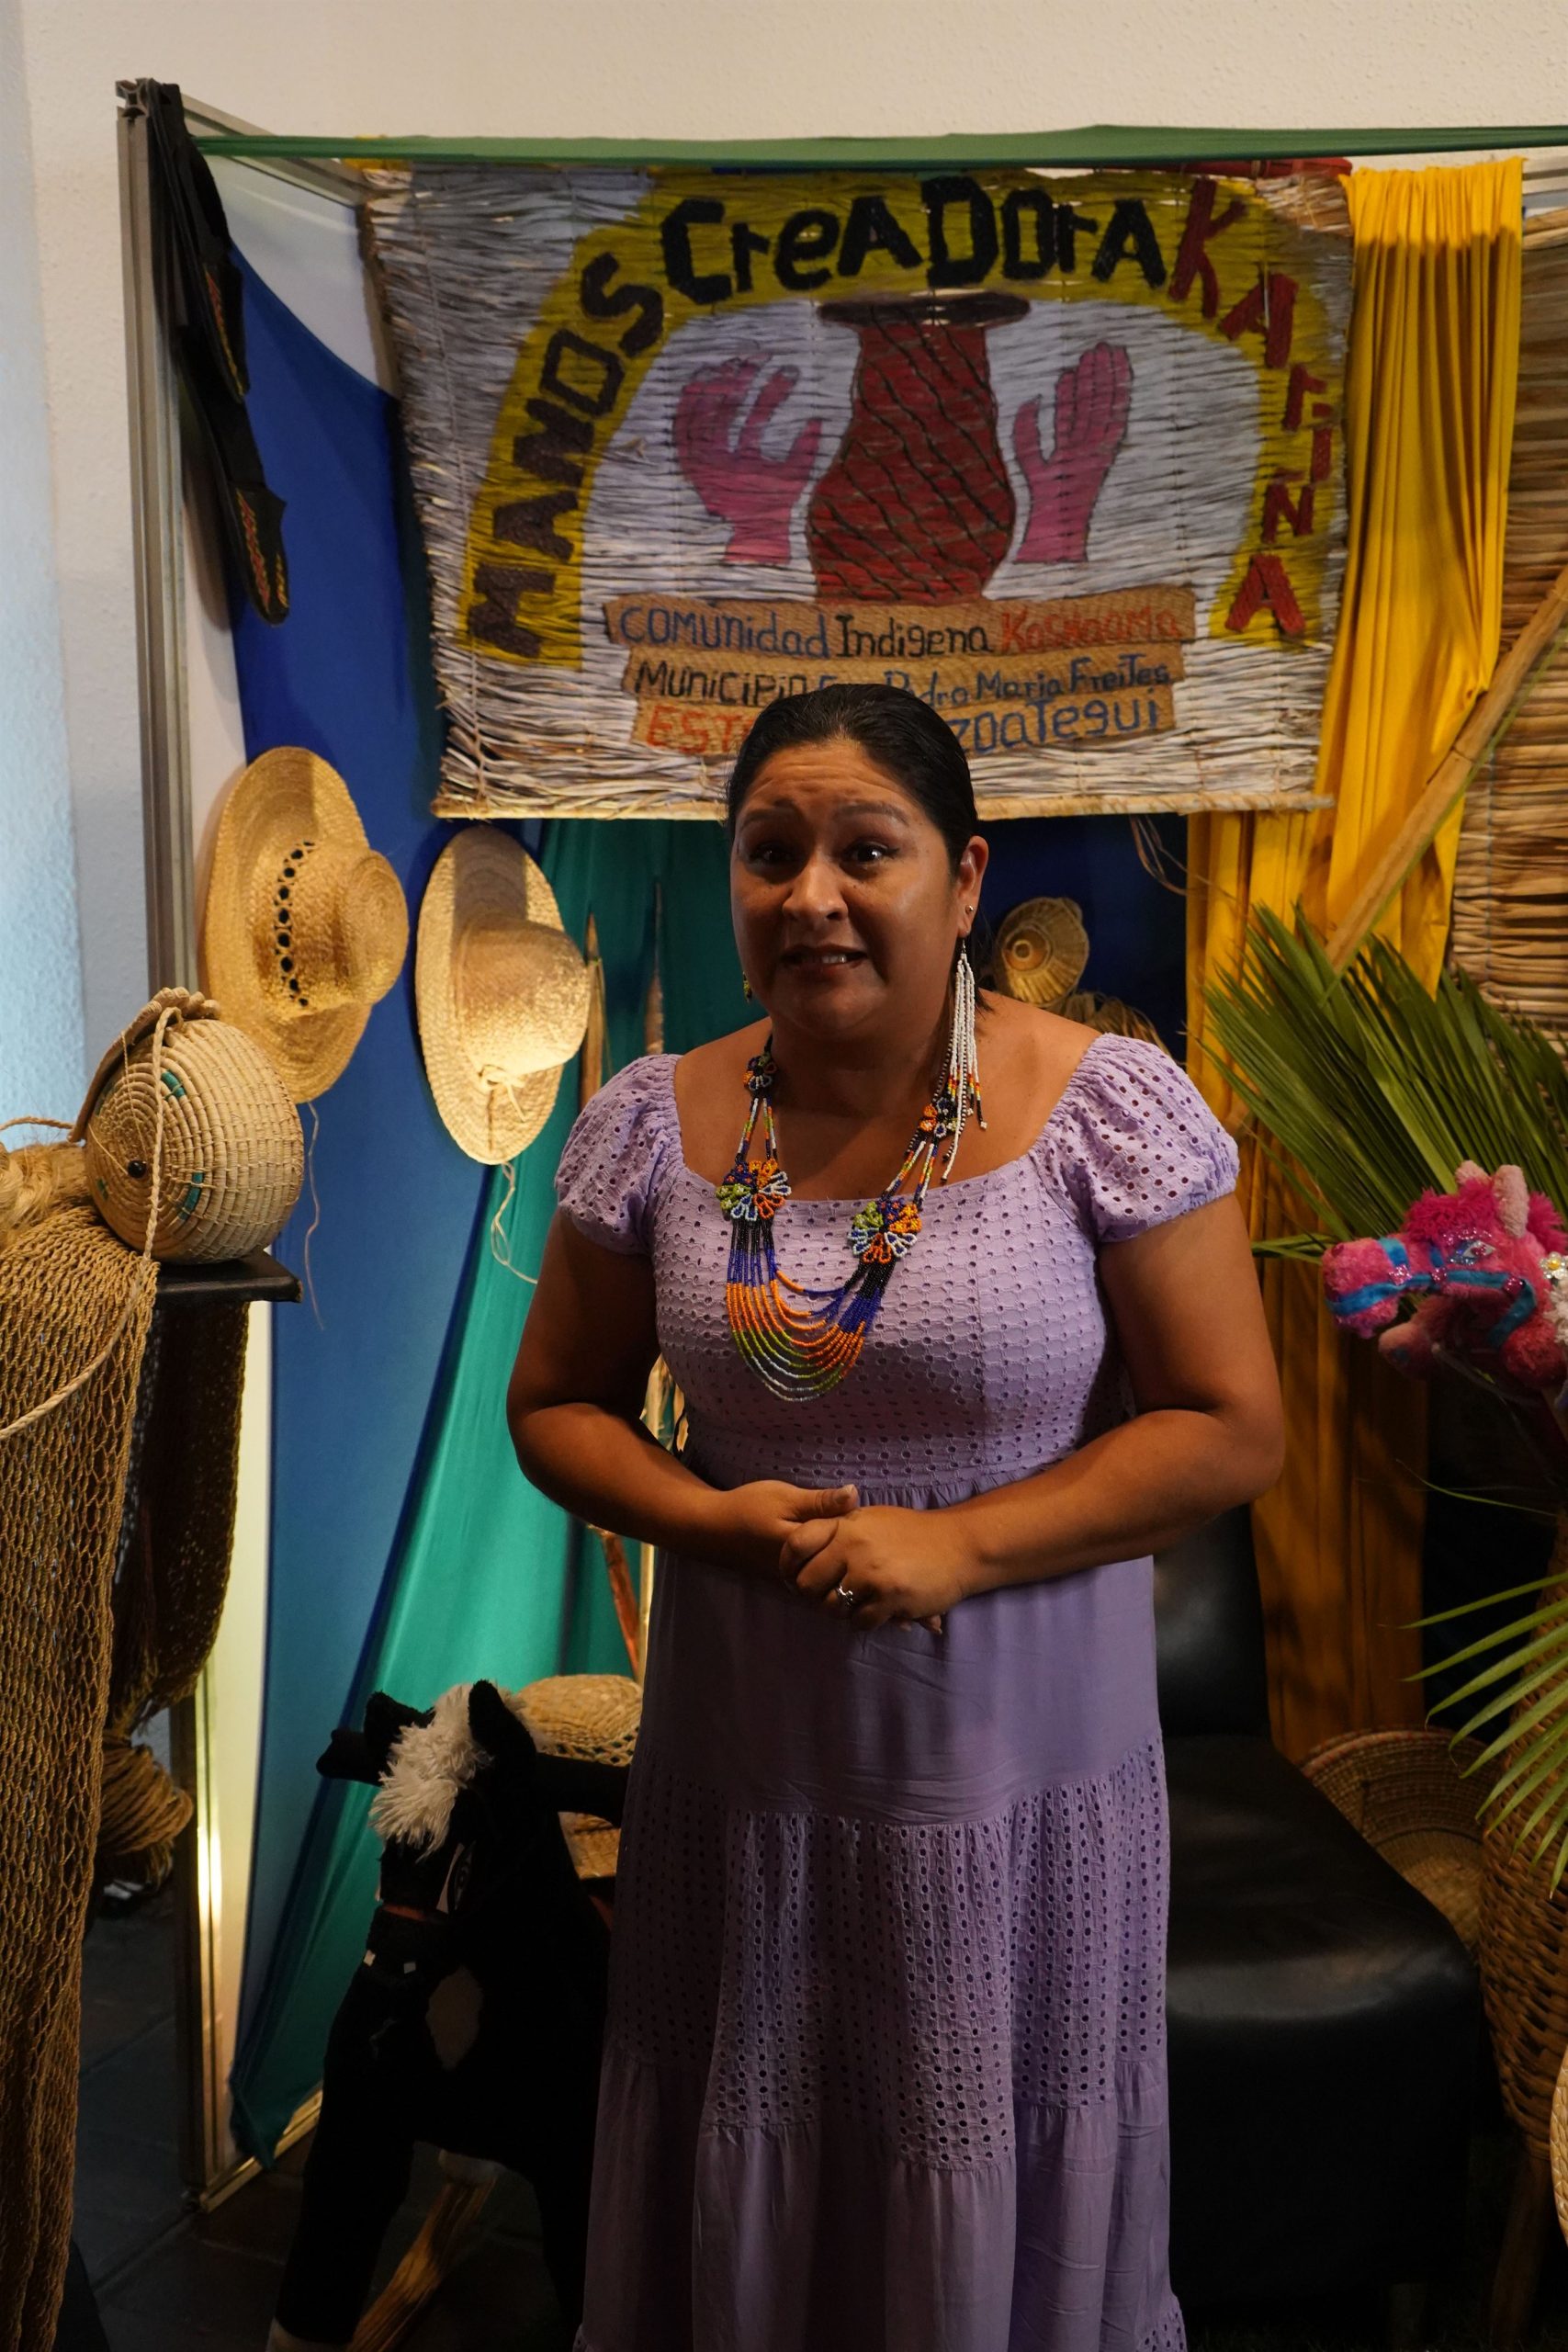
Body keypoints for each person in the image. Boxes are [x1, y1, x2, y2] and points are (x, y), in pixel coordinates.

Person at [509, 684, 1284, 2352]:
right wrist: (709, 1522)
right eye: (769, 852)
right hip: (747, 1773)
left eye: (867, 850)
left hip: (1015, 1785)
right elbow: (555, 1404)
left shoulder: (1104, 1109)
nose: (812, 896)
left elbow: (1232, 1428)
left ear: (966, 873)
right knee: (759, 2125)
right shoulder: (651, 1120)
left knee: (985, 2143)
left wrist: (961, 1543)